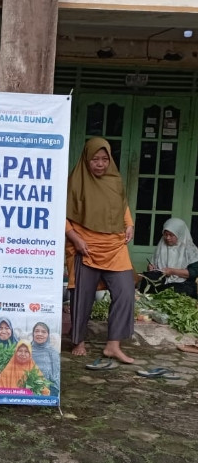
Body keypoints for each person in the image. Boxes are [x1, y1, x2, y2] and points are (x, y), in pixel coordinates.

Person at [66, 137, 136, 364]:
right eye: (95, 159)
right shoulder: (76, 182)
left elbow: (122, 205)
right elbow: (60, 215)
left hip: (115, 246)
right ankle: (78, 340)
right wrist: (75, 239)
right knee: (82, 295)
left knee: (125, 292)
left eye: (105, 159)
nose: (100, 164)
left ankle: (113, 345)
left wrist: (130, 224)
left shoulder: (114, 181)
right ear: (86, 159)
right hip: (85, 246)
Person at [139, 217, 198, 299]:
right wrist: (151, 267)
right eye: (165, 234)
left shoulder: (190, 249)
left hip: (182, 282)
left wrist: (172, 271)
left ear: (179, 234)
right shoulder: (161, 245)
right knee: (147, 282)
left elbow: (194, 273)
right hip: (162, 280)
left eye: (171, 235)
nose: (167, 238)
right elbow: (152, 264)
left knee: (172, 292)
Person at [31, 323, 61, 389]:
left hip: (47, 392)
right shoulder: (26, 350)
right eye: (37, 331)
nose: (39, 334)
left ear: (48, 335)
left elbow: (56, 377)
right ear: (33, 334)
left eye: (43, 332)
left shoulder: (53, 353)